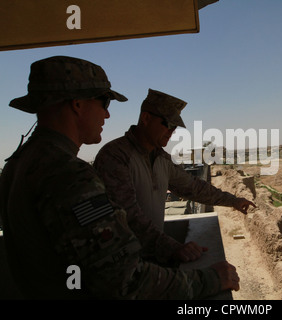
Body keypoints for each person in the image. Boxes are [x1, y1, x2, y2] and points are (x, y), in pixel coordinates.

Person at [0, 56, 239, 299]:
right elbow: (124, 279)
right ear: (77, 104)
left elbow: (191, 186)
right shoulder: (69, 174)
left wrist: (232, 200)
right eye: (104, 102)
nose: (107, 115)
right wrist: (209, 279)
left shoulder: (19, 163)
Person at [94, 89, 256, 265]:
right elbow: (127, 217)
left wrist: (233, 201)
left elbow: (193, 187)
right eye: (167, 124)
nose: (171, 132)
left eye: (174, 127)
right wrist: (173, 248)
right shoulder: (115, 157)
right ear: (146, 118)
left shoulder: (161, 159)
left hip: (152, 259)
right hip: (125, 265)